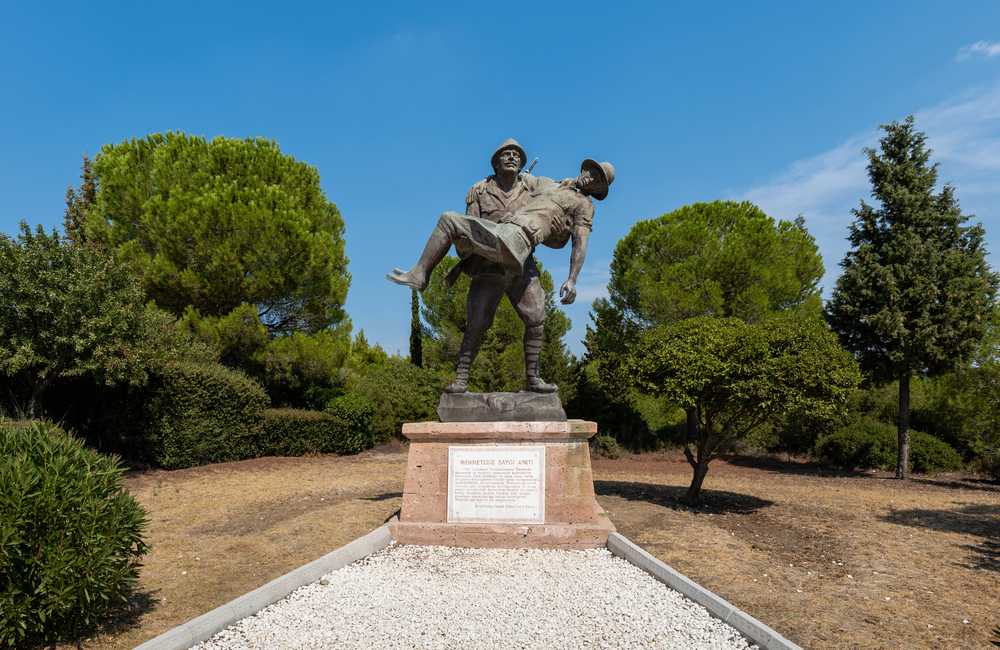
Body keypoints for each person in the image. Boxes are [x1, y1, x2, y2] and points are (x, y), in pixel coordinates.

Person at [387, 156, 615, 394]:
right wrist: (482, 186)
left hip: (517, 246)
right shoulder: (545, 183)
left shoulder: (584, 205)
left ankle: (533, 380)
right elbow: (519, 177)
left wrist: (571, 276)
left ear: (599, 190)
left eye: (599, 181)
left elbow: (580, 241)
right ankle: (461, 380)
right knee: (476, 323)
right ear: (584, 168)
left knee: (536, 316)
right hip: (497, 247)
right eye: (593, 171)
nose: (593, 178)